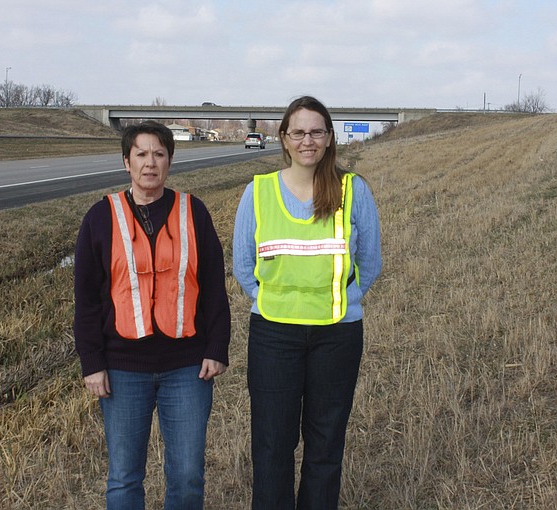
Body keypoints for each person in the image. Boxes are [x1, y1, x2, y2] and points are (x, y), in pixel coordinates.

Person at [233, 96, 382, 509]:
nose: (307, 140)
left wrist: (344, 301)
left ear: (330, 137)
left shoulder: (354, 189)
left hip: (337, 335)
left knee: (324, 446)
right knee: (272, 446)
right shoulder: (258, 191)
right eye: (298, 132)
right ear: (283, 138)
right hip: (273, 336)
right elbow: (243, 266)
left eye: (316, 131)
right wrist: (274, 303)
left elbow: (369, 263)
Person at [74, 120, 230, 509]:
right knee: (124, 479)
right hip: (123, 367)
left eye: (159, 154)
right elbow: (87, 298)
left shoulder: (193, 212)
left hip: (187, 367)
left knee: (188, 477)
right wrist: (92, 362)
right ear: (126, 162)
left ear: (170, 161)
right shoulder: (100, 216)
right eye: (141, 154)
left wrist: (217, 347)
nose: (150, 162)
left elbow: (213, 286)